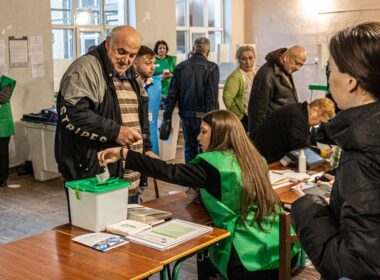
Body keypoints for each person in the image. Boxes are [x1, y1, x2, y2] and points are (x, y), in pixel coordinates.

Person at [98, 110, 299, 279]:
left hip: (249, 257)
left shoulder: (213, 165)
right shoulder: (255, 159)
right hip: (280, 249)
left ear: (220, 134)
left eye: (203, 132)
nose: (197, 137)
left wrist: (125, 154)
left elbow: (171, 172)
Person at [291, 22, 380, 279]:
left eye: (331, 69)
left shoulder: (363, 153)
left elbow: (357, 263)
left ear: (351, 80)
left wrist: (307, 207)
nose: (329, 78)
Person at [55, 26, 153, 216]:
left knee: (126, 233)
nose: (126, 60)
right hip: (94, 173)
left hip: (128, 172)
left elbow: (141, 114)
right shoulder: (85, 69)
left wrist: (146, 147)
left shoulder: (132, 74)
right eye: (121, 52)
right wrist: (115, 132)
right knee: (95, 232)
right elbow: (73, 114)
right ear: (109, 43)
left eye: (132, 55)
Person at [163, 37, 220, 163]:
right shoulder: (212, 68)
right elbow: (212, 97)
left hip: (186, 116)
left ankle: (190, 176)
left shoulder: (180, 67)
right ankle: (202, 178)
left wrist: (167, 117)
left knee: (189, 148)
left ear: (193, 49)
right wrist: (214, 120)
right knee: (205, 148)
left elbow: (172, 95)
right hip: (204, 117)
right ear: (208, 51)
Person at [250, 98, 335, 163]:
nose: (318, 125)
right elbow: (299, 148)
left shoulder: (300, 112)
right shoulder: (296, 117)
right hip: (257, 155)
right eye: (320, 121)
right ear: (314, 110)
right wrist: (321, 153)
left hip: (264, 154)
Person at [248, 45, 307, 134]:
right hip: (272, 132)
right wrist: (257, 138)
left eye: (301, 65)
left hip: (284, 130)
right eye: (296, 63)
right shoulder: (266, 74)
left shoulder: (285, 69)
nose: (298, 68)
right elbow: (257, 111)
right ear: (286, 57)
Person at [134, 45, 160, 155]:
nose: (153, 67)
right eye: (148, 63)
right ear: (135, 63)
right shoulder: (127, 85)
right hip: (133, 138)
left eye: (154, 63)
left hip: (152, 137)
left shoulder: (156, 84)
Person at [223, 45, 256, 131]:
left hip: (255, 116)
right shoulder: (235, 77)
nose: (248, 62)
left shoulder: (255, 73)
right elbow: (227, 97)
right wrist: (239, 116)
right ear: (238, 60)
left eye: (250, 58)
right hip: (244, 118)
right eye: (243, 59)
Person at [0, 75, 16, 188]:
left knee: (2, 154)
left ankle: (2, 179)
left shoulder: (7, 82)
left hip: (3, 125)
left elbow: (3, 98)